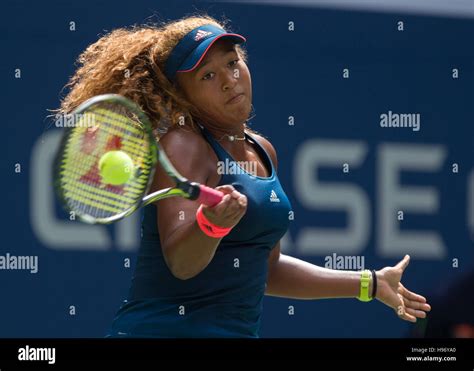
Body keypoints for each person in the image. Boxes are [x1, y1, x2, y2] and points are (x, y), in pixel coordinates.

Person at [59, 15, 431, 338]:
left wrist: (367, 283)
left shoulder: (262, 151)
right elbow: (181, 263)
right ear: (181, 95)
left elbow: (266, 270)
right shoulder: (183, 146)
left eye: (232, 63)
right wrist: (210, 225)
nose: (229, 80)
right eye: (208, 75)